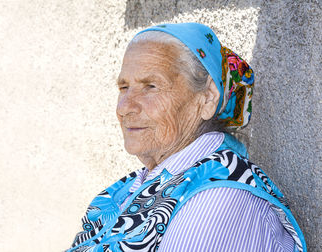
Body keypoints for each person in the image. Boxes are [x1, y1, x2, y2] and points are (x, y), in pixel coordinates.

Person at [66, 23, 306, 252]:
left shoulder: (217, 198)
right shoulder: (139, 185)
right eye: (124, 87)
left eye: (151, 86)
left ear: (207, 98)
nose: (125, 107)